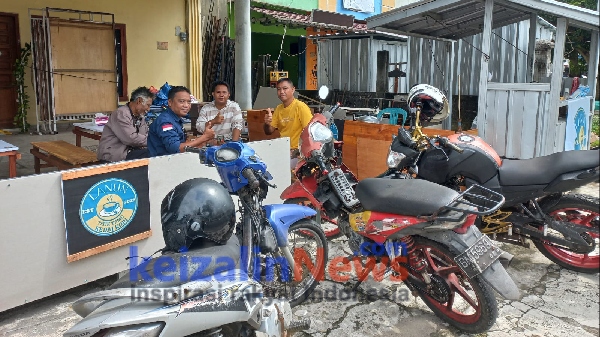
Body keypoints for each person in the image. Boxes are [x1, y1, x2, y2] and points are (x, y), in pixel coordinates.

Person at [148, 86, 215, 157]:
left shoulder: (175, 118)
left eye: (189, 102)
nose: (186, 105)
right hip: (162, 163)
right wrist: (204, 137)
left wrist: (203, 141)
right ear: (170, 102)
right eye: (182, 101)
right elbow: (176, 149)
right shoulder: (166, 122)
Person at [263, 78, 313, 168]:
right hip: (284, 150)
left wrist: (299, 151)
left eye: (285, 88)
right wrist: (267, 123)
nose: (281, 92)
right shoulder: (278, 108)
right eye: (278, 89)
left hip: (298, 153)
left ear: (293, 89)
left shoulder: (301, 107)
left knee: (276, 168)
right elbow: (269, 131)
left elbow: (310, 131)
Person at [97, 86, 155, 162]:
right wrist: (154, 141)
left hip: (130, 151)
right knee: (151, 153)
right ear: (139, 101)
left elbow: (144, 135)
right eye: (148, 105)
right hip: (113, 154)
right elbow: (131, 138)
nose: (148, 109)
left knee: (156, 151)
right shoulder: (121, 113)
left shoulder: (140, 116)